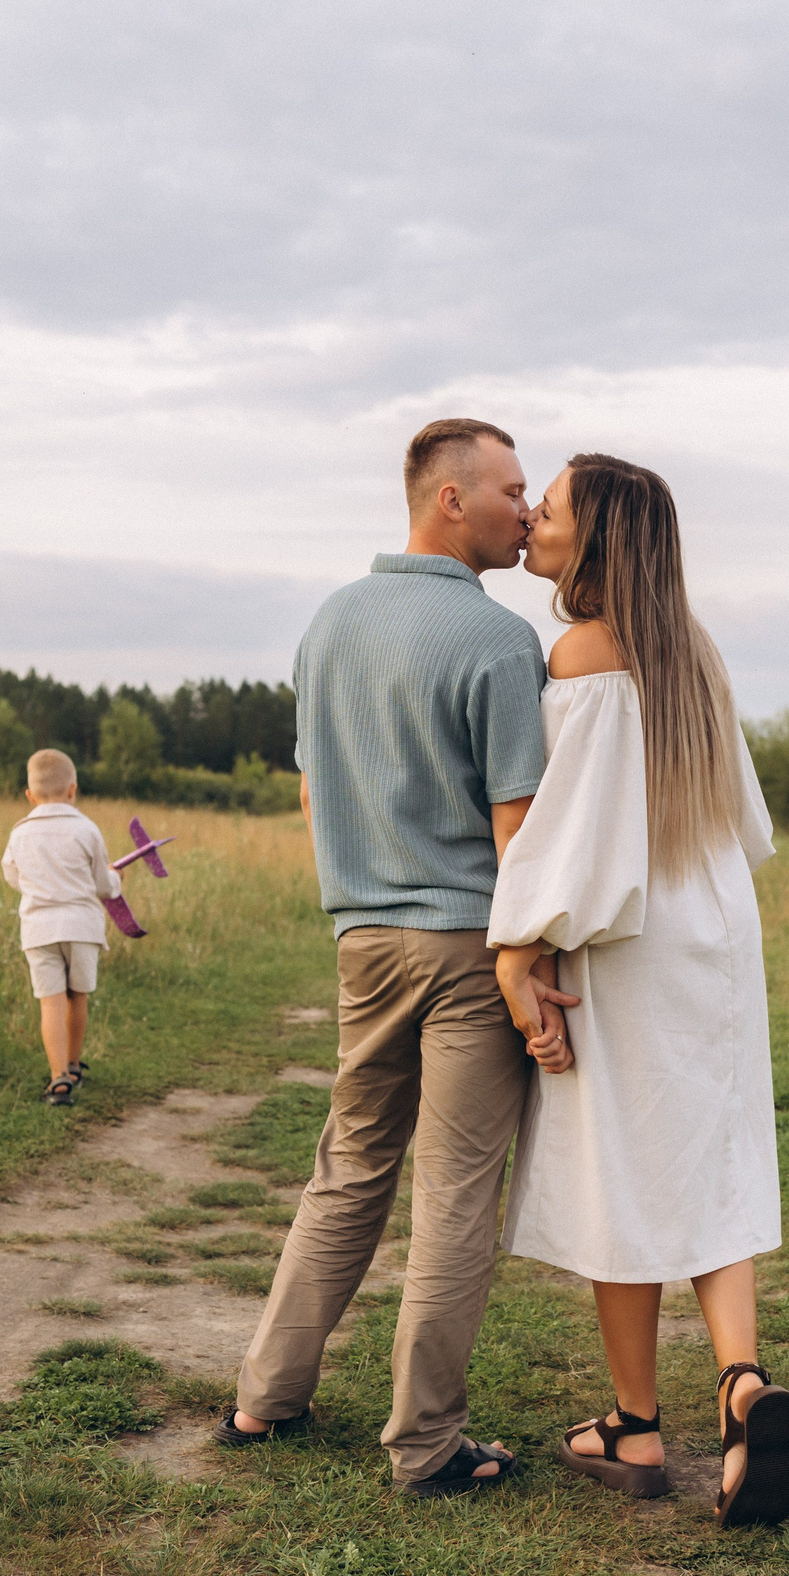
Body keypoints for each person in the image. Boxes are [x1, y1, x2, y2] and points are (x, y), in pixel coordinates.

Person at [217, 417, 577, 1499]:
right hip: (470, 946)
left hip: (363, 939)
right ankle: (426, 1445)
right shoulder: (499, 641)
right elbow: (520, 832)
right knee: (456, 1192)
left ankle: (263, 1400)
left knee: (349, 1167)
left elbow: (315, 787)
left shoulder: (329, 623)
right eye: (513, 490)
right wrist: (528, 959)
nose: (527, 508)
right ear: (449, 500)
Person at [488, 453, 789, 1528]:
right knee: (707, 1153)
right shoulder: (691, 653)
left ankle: (633, 1424)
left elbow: (565, 829)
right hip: (713, 932)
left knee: (615, 1160)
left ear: (600, 539)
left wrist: (518, 945)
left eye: (554, 507)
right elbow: (744, 823)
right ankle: (741, 1385)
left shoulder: (581, 653)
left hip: (626, 939)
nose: (532, 516)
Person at [0, 747, 124, 1106]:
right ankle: (73, 1064)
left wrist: (39, 888)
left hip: (38, 930)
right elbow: (102, 884)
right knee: (77, 997)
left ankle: (58, 1079)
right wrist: (116, 879)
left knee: (50, 1003)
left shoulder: (20, 832)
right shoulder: (87, 829)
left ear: (29, 795)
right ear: (73, 789)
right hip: (81, 927)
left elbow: (12, 873)